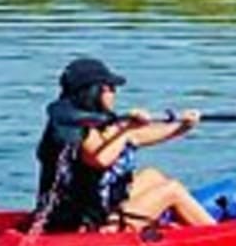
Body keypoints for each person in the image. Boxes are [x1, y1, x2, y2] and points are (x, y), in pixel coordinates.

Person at [35, 57, 216, 233]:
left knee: (152, 176)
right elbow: (100, 159)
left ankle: (186, 223)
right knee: (172, 190)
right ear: (94, 91)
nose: (115, 93)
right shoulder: (76, 128)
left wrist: (182, 126)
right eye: (111, 88)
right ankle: (217, 236)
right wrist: (128, 128)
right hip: (86, 227)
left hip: (99, 209)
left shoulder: (96, 122)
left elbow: (137, 136)